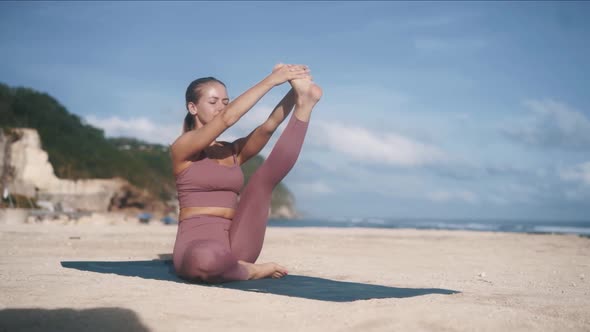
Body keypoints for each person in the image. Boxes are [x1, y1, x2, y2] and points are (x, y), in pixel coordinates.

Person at [170, 64, 322, 283]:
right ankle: (251, 271)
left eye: (225, 102)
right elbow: (227, 119)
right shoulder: (182, 148)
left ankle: (305, 106)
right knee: (206, 259)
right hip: (197, 243)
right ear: (193, 108)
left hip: (238, 242)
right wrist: (272, 80)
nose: (220, 108)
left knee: (263, 181)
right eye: (213, 102)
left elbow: (269, 126)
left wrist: (294, 92)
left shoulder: (232, 151)